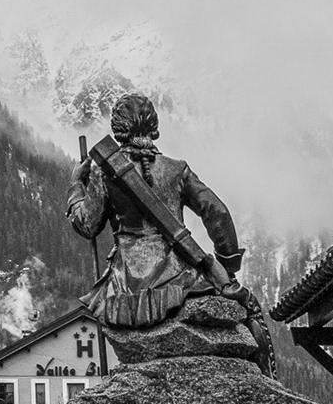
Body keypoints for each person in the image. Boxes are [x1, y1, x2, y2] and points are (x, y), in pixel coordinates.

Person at [66, 93, 244, 327]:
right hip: (179, 276)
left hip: (126, 285)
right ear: (153, 126)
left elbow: (87, 225)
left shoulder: (104, 174)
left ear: (119, 129)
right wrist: (226, 267)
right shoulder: (177, 169)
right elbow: (216, 212)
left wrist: (77, 185)